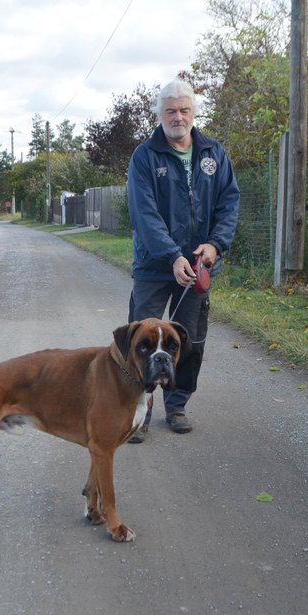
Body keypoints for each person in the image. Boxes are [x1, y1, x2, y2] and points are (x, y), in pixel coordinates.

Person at [125, 78, 240, 442]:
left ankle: (177, 405)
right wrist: (172, 255)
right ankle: (138, 413)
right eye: (171, 111)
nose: (178, 117)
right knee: (140, 340)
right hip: (154, 266)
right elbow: (144, 215)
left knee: (189, 340)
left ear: (194, 112)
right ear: (159, 114)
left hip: (198, 269)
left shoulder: (215, 154)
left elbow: (229, 204)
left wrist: (215, 245)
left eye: (184, 110)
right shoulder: (144, 156)